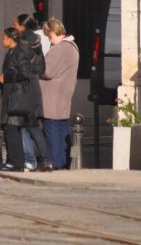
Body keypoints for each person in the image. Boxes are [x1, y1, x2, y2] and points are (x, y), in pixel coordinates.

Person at [0, 26, 52, 172]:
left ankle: (16, 162)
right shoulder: (10, 53)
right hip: (10, 95)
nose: (2, 40)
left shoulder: (20, 53)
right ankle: (14, 161)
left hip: (18, 97)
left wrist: (8, 78)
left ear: (10, 39)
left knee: (12, 127)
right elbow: (3, 81)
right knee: (8, 127)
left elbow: (26, 74)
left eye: (3, 37)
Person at [40, 18, 79, 169]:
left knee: (52, 131)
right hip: (63, 94)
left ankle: (55, 162)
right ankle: (63, 161)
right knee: (62, 130)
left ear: (53, 32)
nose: (49, 39)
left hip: (52, 97)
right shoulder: (72, 46)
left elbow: (47, 70)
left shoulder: (61, 48)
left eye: (49, 36)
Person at [13, 13, 45, 169]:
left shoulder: (22, 42)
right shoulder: (38, 40)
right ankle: (47, 159)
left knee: (23, 126)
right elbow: (42, 67)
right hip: (35, 87)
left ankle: (30, 160)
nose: (14, 27)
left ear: (22, 26)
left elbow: (20, 67)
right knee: (34, 127)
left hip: (24, 89)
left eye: (16, 24)